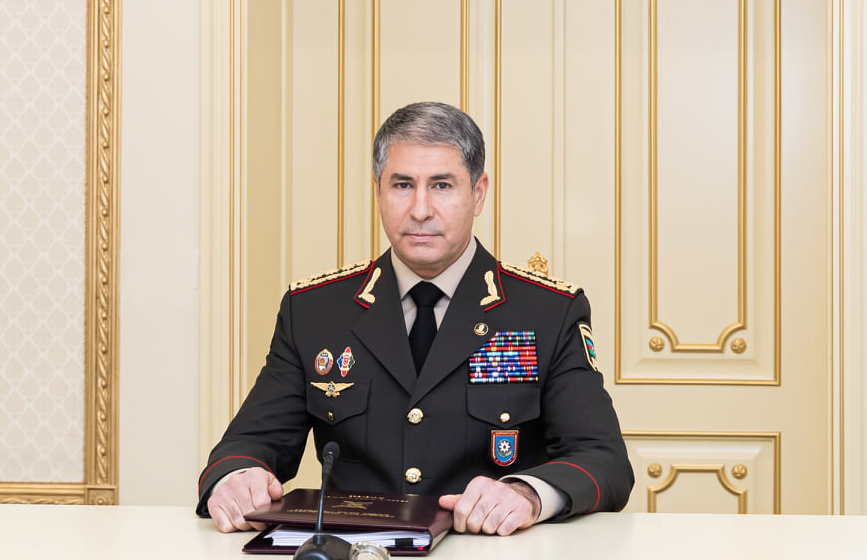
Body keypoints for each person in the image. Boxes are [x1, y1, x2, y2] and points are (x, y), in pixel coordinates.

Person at [197, 101, 632, 535]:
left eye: (442, 185)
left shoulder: (547, 311)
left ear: (478, 193)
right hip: (355, 558)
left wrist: (527, 494)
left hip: (490, 559)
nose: (420, 209)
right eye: (402, 185)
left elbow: (603, 459)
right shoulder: (314, 311)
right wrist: (236, 479)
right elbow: (249, 444)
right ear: (378, 192)